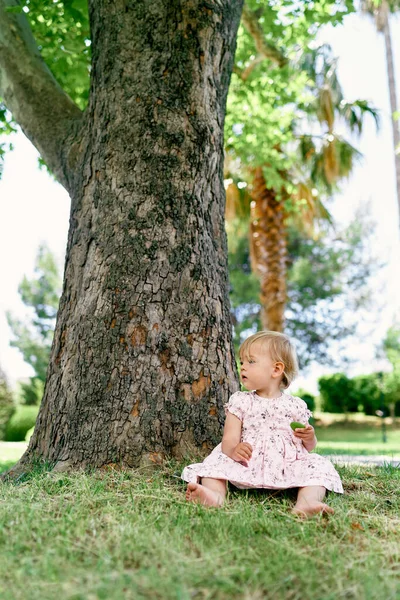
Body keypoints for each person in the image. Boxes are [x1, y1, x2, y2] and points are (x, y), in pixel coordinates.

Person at [181, 330, 343, 517]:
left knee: (318, 464)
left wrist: (310, 437)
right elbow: (229, 438)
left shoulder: (295, 405)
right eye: (242, 362)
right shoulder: (240, 401)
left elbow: (308, 447)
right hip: (246, 462)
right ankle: (214, 495)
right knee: (215, 461)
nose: (243, 367)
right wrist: (234, 450)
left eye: (251, 361)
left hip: (285, 465)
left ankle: (307, 502)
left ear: (276, 369)